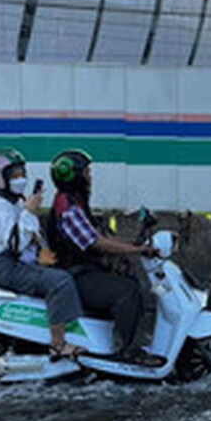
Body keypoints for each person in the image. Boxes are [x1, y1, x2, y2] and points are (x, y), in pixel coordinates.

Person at [44, 149, 165, 367]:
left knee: (128, 279)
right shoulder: (67, 207)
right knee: (127, 291)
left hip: (84, 270)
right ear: (74, 176)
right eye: (87, 173)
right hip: (76, 276)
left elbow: (101, 235)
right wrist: (136, 250)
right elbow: (95, 242)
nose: (90, 177)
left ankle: (118, 342)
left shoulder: (75, 201)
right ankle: (129, 352)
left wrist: (133, 245)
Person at [0, 147, 85, 361]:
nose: (20, 179)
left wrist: (42, 250)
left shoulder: (14, 200)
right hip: (7, 265)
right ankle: (58, 344)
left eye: (22, 174)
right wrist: (28, 211)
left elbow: (30, 234)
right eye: (14, 175)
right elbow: (15, 244)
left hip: (18, 261)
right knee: (60, 282)